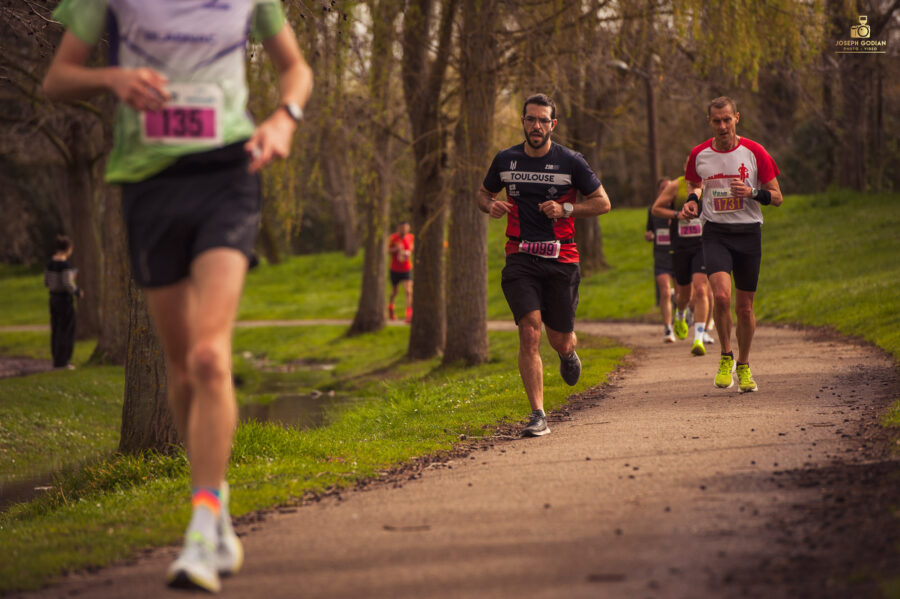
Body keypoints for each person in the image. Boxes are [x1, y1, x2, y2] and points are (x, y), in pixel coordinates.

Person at [43, 1, 312, 592]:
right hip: (150, 183)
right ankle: (213, 497)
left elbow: (296, 68)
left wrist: (283, 119)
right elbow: (57, 79)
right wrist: (113, 78)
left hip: (228, 176)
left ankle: (202, 525)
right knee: (184, 368)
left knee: (211, 356)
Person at [477, 93, 611, 437]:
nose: (536, 126)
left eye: (542, 120)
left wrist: (566, 210)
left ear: (553, 124)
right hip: (519, 256)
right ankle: (538, 414)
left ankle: (567, 354)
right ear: (523, 122)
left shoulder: (571, 161)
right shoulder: (506, 160)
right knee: (529, 329)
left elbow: (603, 203)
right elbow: (483, 194)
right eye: (530, 119)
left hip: (561, 258)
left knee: (560, 339)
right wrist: (490, 206)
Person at [683, 96, 782, 392]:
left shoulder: (755, 152)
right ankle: (726, 356)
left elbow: (777, 196)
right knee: (722, 296)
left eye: (727, 119)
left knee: (745, 308)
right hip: (716, 233)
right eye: (717, 121)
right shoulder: (699, 154)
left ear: (737, 117)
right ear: (709, 122)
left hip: (748, 233)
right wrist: (692, 200)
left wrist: (752, 193)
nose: (723, 126)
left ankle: (744, 364)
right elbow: (695, 183)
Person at [652, 161, 711, 356]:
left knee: (701, 289)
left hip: (702, 244)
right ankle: (680, 313)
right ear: (686, 168)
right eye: (690, 165)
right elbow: (656, 209)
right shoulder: (675, 186)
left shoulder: (709, 183)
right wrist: (677, 214)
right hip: (680, 247)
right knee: (684, 295)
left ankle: (699, 338)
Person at [44, 234, 83, 369]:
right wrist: (77, 291)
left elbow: (46, 281)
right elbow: (67, 283)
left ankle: (56, 358)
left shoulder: (50, 263)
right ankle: (63, 361)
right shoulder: (65, 265)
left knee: (56, 329)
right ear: (68, 248)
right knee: (66, 330)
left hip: (53, 298)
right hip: (64, 300)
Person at [645, 178, 676, 343]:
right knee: (665, 292)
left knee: (682, 295)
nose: (667, 191)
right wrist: (649, 235)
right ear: (658, 192)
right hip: (661, 255)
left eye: (669, 188)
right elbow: (649, 231)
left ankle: (680, 313)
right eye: (663, 188)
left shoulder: (680, 207)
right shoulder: (653, 210)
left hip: (678, 254)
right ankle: (668, 328)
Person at [387, 221, 414, 323]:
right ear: (398, 228)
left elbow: (413, 248)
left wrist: (410, 250)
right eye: (402, 228)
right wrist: (396, 249)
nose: (404, 230)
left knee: (408, 291)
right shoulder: (393, 238)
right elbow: (387, 250)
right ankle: (390, 307)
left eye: (406, 228)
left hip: (406, 268)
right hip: (395, 269)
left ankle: (409, 315)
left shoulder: (411, 237)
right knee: (395, 291)